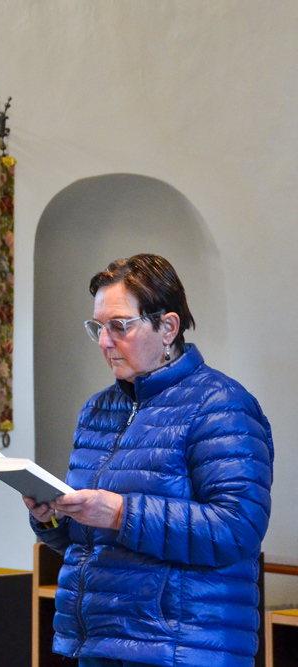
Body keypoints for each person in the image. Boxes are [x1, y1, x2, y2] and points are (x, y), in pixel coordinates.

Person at [26, 254, 273, 667]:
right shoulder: (98, 410)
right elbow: (85, 542)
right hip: (101, 641)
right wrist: (51, 517)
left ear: (168, 328)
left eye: (119, 326)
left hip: (182, 648)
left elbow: (238, 529)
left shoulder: (221, 405)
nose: (104, 342)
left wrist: (121, 514)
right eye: (98, 328)